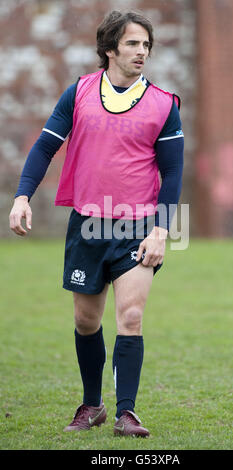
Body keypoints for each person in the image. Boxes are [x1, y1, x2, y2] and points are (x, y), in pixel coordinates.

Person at [9, 10, 184, 437]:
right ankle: (92, 405)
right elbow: (45, 146)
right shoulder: (80, 92)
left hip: (139, 225)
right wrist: (21, 197)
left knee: (131, 315)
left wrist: (162, 230)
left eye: (146, 44)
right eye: (132, 44)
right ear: (109, 48)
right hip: (87, 223)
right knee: (87, 322)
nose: (141, 51)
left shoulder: (164, 104)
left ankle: (127, 413)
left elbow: (174, 173)